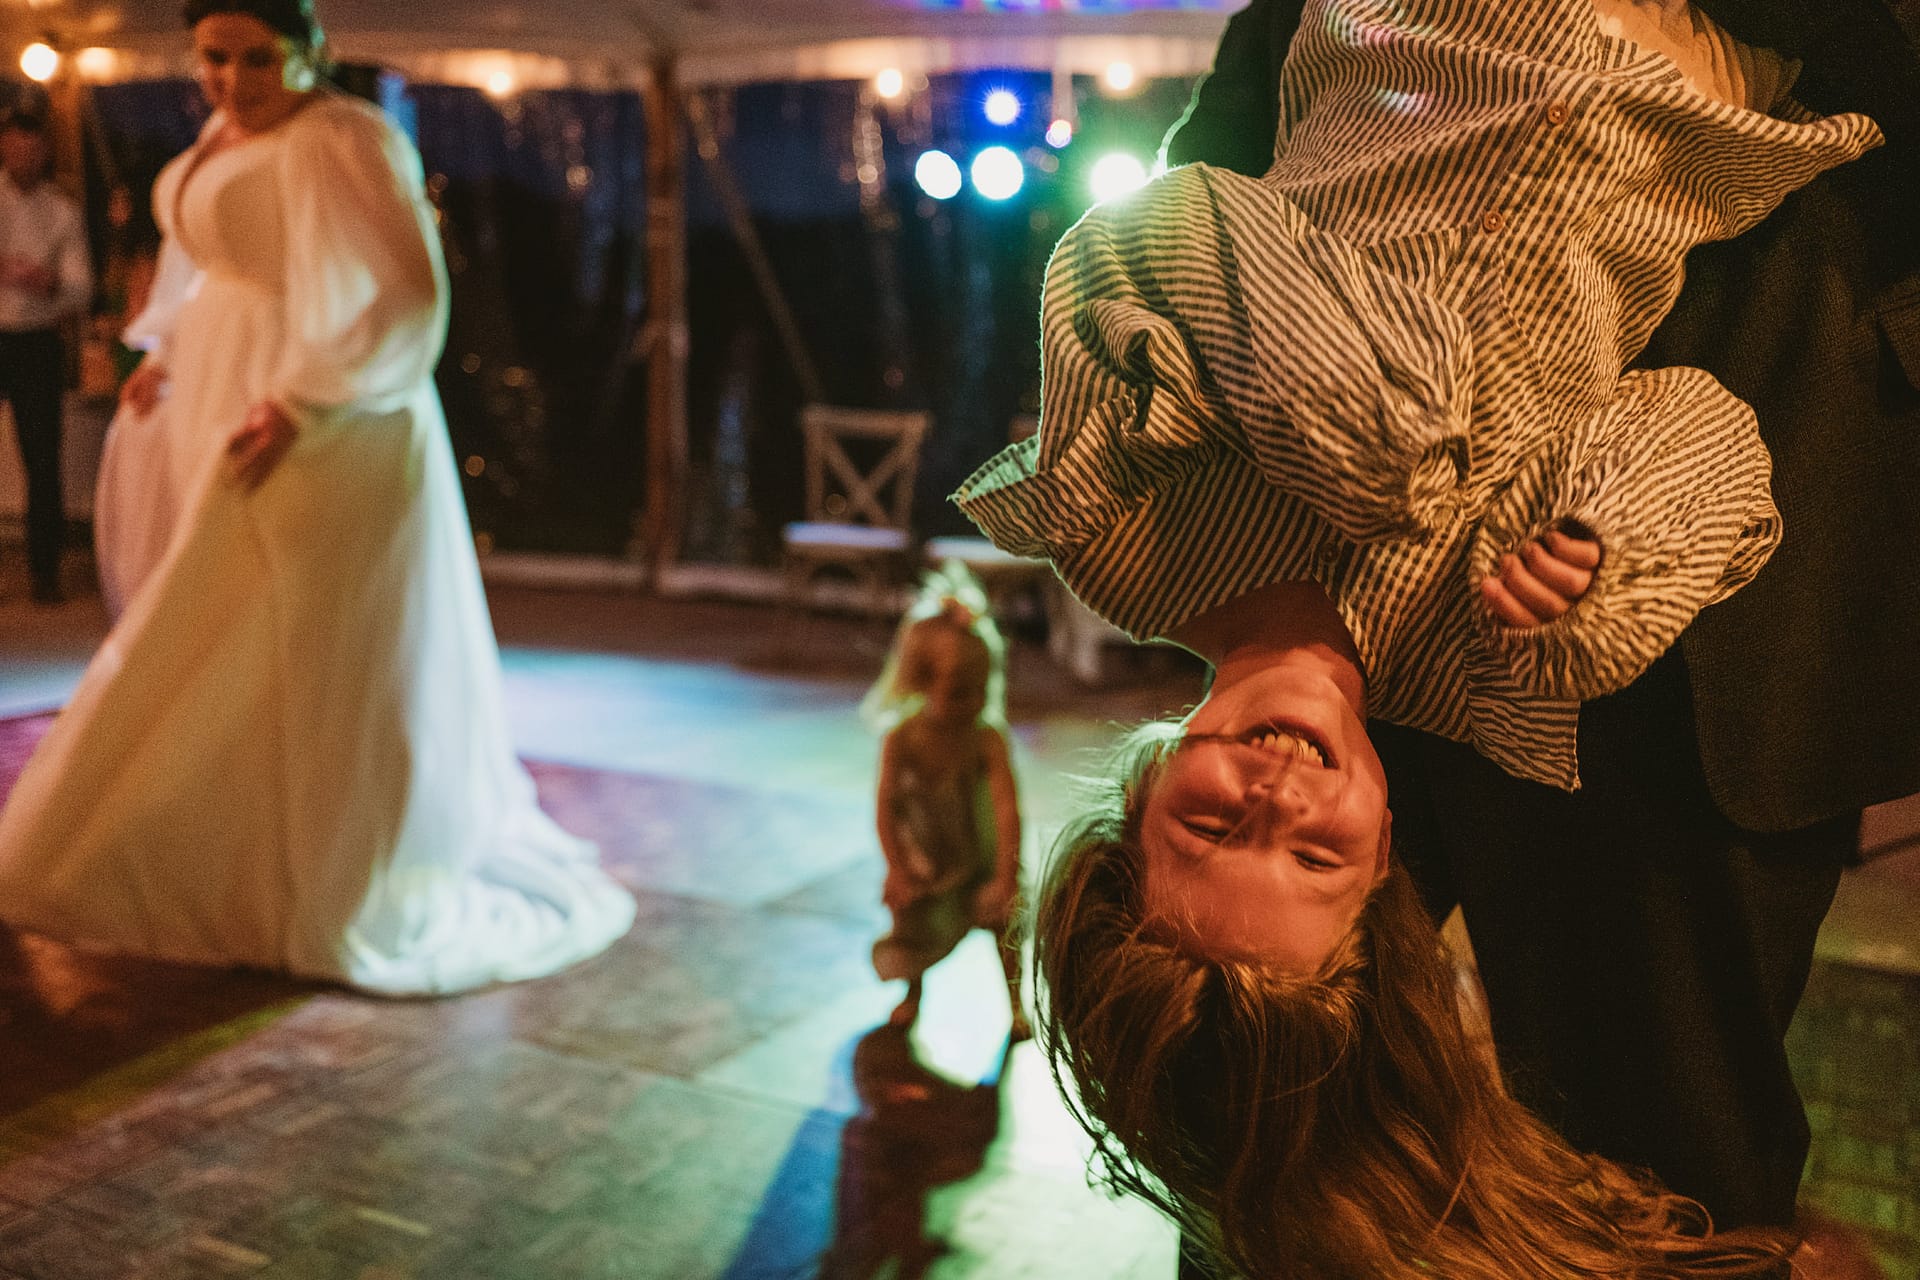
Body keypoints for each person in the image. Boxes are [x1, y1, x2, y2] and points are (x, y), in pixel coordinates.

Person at [1155, 0, 1920, 1258]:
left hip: (1729, 585)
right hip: (1349, 565)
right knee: (1251, 1104)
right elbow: (1221, 159)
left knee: (1664, 1167)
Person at [0, 0, 636, 994]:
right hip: (219, 388)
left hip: (333, 409)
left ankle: (325, 876)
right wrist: (162, 351)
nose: (234, 80)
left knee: (306, 636)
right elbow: (203, 262)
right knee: (216, 623)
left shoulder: (350, 135)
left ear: (310, 54)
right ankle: (226, 853)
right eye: (214, 57)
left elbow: (407, 293)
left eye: (259, 59)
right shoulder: (214, 135)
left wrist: (305, 397)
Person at [863, 563, 1028, 1037]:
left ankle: (1016, 1004)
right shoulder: (902, 738)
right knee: (910, 923)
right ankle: (912, 994)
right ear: (918, 681)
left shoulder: (986, 737)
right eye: (957, 694)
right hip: (926, 860)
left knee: (1006, 925)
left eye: (979, 690)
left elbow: (1006, 809)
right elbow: (885, 808)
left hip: (980, 859)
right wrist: (896, 866)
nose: (970, 703)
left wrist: (1005, 875)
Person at [0, 106, 91, 605]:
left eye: (31, 148)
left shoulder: (63, 212)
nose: (21, 156)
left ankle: (45, 572)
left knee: (42, 458)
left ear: (44, 152)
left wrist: (49, 280)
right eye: (13, 146)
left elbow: (81, 287)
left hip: (35, 340)